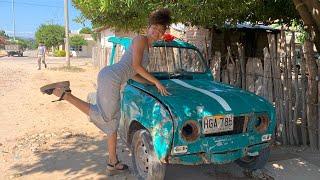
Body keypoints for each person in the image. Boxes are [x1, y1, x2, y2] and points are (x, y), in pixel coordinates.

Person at [41, 8, 171, 174]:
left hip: (115, 79)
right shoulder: (140, 39)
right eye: (155, 28)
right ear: (148, 28)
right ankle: (64, 94)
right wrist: (156, 81)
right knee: (106, 118)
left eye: (161, 30)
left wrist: (151, 84)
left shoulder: (148, 46)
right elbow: (137, 66)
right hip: (111, 78)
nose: (157, 32)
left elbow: (134, 73)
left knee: (113, 123)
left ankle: (112, 163)